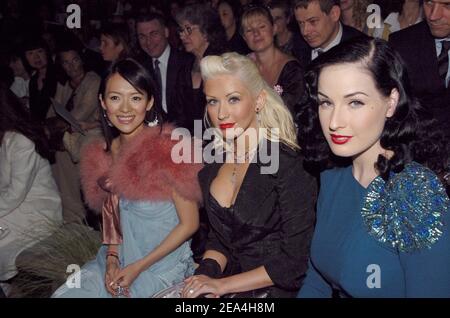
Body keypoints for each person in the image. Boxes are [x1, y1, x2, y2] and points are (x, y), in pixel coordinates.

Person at [297, 37, 450, 297]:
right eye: (326, 102)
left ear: (391, 102)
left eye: (354, 102)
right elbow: (317, 279)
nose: (334, 122)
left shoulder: (416, 195)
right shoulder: (332, 173)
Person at [52, 58, 202, 298]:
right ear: (102, 103)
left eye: (135, 98)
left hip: (160, 267)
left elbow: (190, 224)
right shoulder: (101, 154)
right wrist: (112, 257)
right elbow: (113, 217)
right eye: (115, 98)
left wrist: (138, 267)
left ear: (149, 101)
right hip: (117, 260)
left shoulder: (170, 150)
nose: (125, 109)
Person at [181, 52, 316, 298]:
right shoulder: (213, 161)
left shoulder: (287, 163)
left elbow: (295, 262)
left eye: (233, 99)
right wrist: (205, 273)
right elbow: (221, 239)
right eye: (212, 101)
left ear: (259, 100)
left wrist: (221, 286)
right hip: (232, 283)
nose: (221, 113)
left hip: (277, 291)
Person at [0, 84, 62, 286]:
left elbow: (16, 193)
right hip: (15, 206)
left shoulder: (21, 141)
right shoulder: (5, 138)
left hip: (36, 209)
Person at [47, 45, 102, 224]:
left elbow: (81, 114)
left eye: (75, 60)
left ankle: (91, 216)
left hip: (89, 134)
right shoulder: (64, 85)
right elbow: (52, 112)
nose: (72, 66)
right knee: (59, 157)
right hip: (68, 137)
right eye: (66, 63)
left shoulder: (93, 80)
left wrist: (54, 126)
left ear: (82, 59)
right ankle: (73, 217)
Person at [389, 0, 450, 141]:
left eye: (447, 5)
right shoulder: (401, 44)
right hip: (418, 149)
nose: (433, 16)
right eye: (429, 3)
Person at [241, 4, 305, 116]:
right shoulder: (242, 67)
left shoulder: (292, 70)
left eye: (262, 27)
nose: (256, 34)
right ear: (244, 38)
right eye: (249, 30)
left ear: (274, 28)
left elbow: (290, 115)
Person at [175, 3, 228, 133]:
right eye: (181, 30)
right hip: (190, 143)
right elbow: (179, 113)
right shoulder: (185, 65)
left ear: (206, 32)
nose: (182, 36)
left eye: (188, 29)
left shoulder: (223, 63)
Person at [135, 12, 192, 128]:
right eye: (142, 36)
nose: (148, 42)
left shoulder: (187, 62)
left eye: (154, 34)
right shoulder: (139, 68)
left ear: (166, 32)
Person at [292, 0, 367, 70]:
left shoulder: (363, 49)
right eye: (301, 23)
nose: (305, 31)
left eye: (313, 21)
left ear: (334, 14)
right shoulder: (298, 46)